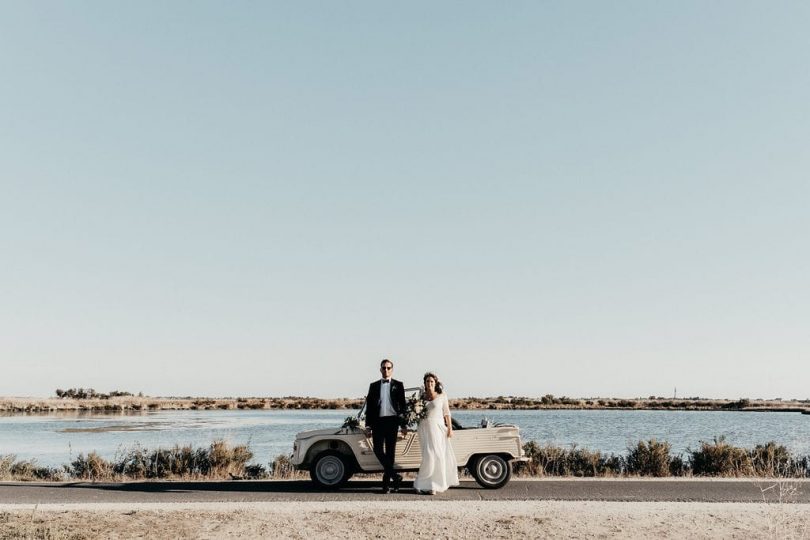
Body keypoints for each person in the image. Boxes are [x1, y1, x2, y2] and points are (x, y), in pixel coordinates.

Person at [364, 358, 407, 494]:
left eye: (388, 368)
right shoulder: (374, 385)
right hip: (378, 422)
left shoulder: (398, 385)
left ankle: (387, 485)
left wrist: (404, 425)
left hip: (392, 422)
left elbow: (403, 407)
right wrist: (368, 426)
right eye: (384, 368)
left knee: (390, 454)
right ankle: (395, 477)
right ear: (380, 369)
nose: (386, 370)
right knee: (377, 449)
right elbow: (370, 408)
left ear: (392, 370)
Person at [413, 372, 459, 495]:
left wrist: (450, 428)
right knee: (427, 455)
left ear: (435, 383)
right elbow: (416, 413)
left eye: (432, 381)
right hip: (424, 427)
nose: (429, 383)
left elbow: (447, 413)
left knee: (437, 455)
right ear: (425, 383)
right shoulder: (421, 397)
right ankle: (423, 484)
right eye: (427, 381)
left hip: (437, 428)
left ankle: (436, 484)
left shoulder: (442, 395)